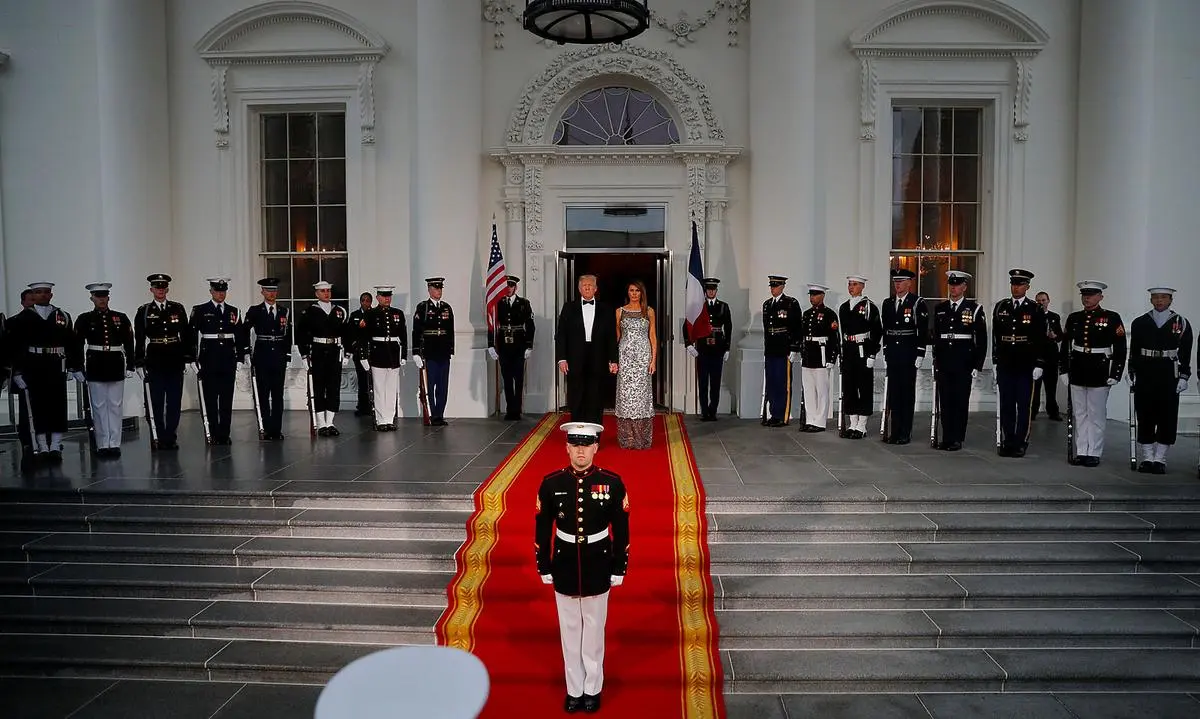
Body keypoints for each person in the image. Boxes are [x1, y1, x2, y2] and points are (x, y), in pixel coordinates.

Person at [535, 421, 629, 715]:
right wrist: (543, 564)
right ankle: (574, 689)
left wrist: (619, 566)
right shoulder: (551, 484)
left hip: (598, 562)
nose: (580, 451)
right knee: (570, 631)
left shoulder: (612, 483)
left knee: (594, 632)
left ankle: (592, 688)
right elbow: (542, 528)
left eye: (586, 445)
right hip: (564, 562)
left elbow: (621, 530)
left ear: (596, 448)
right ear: (566, 448)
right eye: (575, 445)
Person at [6, 281, 78, 463]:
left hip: (56, 364)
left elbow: (71, 343)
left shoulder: (62, 315)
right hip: (34, 364)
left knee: (57, 404)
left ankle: (55, 445)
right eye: (38, 292)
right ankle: (42, 445)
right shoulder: (23, 318)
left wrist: (72, 366)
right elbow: (16, 346)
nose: (43, 295)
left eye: (46, 292)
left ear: (51, 295)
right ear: (33, 295)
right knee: (38, 406)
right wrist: (17, 372)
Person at [1061, 280, 1127, 467]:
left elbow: (1120, 347)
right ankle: (1082, 450)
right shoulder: (1074, 318)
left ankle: (1094, 452)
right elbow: (1065, 345)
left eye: (1091, 295)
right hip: (1078, 368)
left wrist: (1115, 373)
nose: (1087, 298)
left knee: (1096, 414)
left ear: (1100, 297)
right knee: (1080, 413)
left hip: (1099, 369)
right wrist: (1063, 369)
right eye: (1084, 295)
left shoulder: (1111, 317)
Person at [1128, 286, 1192, 474]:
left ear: (1171, 300)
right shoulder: (1140, 322)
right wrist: (1131, 370)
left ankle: (1160, 458)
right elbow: (1134, 350)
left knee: (1167, 415)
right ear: (1151, 300)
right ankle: (1148, 457)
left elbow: (1185, 352)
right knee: (1145, 414)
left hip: (1168, 372)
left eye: (1163, 297)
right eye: (1155, 297)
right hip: (1145, 370)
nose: (1159, 301)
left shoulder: (1181, 323)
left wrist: (1184, 375)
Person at [74, 282, 135, 457]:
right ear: (92, 298)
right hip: (96, 364)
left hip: (115, 363)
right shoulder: (84, 319)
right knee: (98, 406)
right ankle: (102, 443)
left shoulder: (120, 317)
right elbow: (77, 344)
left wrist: (130, 365)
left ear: (108, 298)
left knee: (115, 405)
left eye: (104, 296)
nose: (102, 300)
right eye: (98, 297)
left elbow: (129, 342)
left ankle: (114, 443)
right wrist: (77, 367)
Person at [992, 268, 1047, 457]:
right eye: (1013, 284)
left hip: (1026, 362)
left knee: (1024, 404)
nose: (1015, 288)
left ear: (1027, 287)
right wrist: (995, 360)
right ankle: (1008, 439)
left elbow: (1040, 338)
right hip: (1006, 361)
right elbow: (996, 336)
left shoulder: (1035, 309)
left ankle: (1021, 441)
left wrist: (1039, 363)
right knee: (1006, 403)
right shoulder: (1001, 306)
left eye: (1020, 284)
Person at [135, 273, 193, 450]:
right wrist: (138, 361)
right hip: (155, 359)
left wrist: (188, 357)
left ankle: (170, 436)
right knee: (155, 400)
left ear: (167, 289)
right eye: (157, 287)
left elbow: (186, 334)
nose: (160, 290)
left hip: (175, 358)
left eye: (163, 287)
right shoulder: (144, 311)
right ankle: (157, 435)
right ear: (151, 289)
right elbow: (139, 338)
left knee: (174, 401)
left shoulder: (177, 308)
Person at [931, 271, 988, 451]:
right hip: (944, 361)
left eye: (957, 285)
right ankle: (947, 437)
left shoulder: (974, 309)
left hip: (964, 362)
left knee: (960, 401)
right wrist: (935, 360)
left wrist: (977, 364)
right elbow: (936, 337)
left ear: (964, 287)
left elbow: (981, 339)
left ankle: (957, 438)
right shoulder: (940, 308)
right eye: (951, 284)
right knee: (945, 401)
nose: (953, 288)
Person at [556, 274, 618, 426]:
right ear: (579, 289)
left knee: (596, 396)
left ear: (596, 289)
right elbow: (561, 334)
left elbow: (611, 337)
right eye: (584, 285)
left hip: (599, 358)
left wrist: (613, 360)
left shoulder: (606, 309)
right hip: (575, 358)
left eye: (590, 285)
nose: (587, 288)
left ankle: (594, 432)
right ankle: (577, 431)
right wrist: (562, 358)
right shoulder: (568, 308)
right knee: (576, 396)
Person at [189, 277, 244, 445]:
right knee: (210, 397)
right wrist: (192, 358)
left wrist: (240, 357)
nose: (221, 294)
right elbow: (192, 335)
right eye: (217, 291)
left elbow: (240, 335)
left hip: (228, 357)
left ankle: (224, 434)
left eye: (223, 291)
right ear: (211, 291)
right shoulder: (200, 310)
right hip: (209, 357)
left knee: (227, 398)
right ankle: (212, 432)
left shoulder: (234, 311)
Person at [880, 268, 929, 444]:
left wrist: (920, 352)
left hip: (908, 353)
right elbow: (886, 329)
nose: (897, 285)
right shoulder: (888, 303)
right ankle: (894, 431)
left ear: (909, 283)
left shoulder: (917, 303)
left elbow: (922, 330)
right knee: (894, 394)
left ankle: (904, 432)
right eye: (895, 282)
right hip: (893, 353)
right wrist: (885, 350)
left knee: (906, 394)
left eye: (901, 282)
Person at [296, 280, 350, 436]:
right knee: (319, 387)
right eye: (323, 291)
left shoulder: (339, 310)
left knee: (334, 387)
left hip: (335, 351)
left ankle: (330, 422)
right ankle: (321, 423)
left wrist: (348, 353)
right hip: (318, 351)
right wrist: (304, 355)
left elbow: (346, 333)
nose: (326, 294)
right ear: (316, 293)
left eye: (328, 291)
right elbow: (301, 334)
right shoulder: (309, 311)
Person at [242, 278, 292, 440]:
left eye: (274, 290)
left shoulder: (284, 311)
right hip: (262, 355)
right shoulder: (255, 311)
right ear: (262, 292)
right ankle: (265, 427)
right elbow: (244, 331)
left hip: (279, 355)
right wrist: (246, 352)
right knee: (262, 394)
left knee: (277, 395)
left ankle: (276, 429)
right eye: (268, 290)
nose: (272, 293)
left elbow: (288, 334)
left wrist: (288, 354)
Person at [837, 274, 883, 438]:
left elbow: (877, 331)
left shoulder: (869, 307)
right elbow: (842, 332)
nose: (851, 287)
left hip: (863, 349)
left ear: (862, 286)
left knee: (863, 386)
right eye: (850, 284)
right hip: (848, 349)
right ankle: (852, 423)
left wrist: (872, 353)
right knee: (849, 387)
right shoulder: (844, 307)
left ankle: (862, 425)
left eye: (855, 284)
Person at [614, 280, 657, 449]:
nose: (634, 293)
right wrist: (613, 360)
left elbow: (652, 336)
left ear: (642, 293)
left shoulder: (649, 311)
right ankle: (627, 438)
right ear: (628, 292)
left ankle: (641, 438)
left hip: (643, 358)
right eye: (631, 290)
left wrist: (653, 360)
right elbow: (617, 337)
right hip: (625, 358)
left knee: (641, 397)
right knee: (625, 396)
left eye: (637, 290)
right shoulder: (619, 311)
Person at [487, 275, 535, 420]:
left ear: (515, 287)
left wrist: (529, 345)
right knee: (507, 378)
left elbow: (530, 326)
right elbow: (492, 325)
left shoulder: (524, 303)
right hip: (503, 345)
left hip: (519, 344)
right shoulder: (498, 303)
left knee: (518, 378)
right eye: (506, 286)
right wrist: (491, 345)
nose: (508, 289)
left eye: (511, 286)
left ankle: (517, 409)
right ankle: (510, 409)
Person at [684, 277, 732, 421]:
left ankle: (713, 411)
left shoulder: (723, 306)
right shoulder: (699, 307)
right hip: (703, 348)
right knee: (703, 382)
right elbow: (687, 325)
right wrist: (688, 344)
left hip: (718, 348)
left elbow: (728, 328)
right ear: (705, 291)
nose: (711, 292)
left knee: (715, 383)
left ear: (716, 290)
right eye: (709, 289)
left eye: (713, 289)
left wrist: (727, 348)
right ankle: (704, 411)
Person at [797, 283, 839, 432]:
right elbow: (802, 335)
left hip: (821, 354)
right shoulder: (806, 314)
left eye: (815, 295)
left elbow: (834, 338)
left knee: (821, 390)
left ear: (822, 296)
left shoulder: (829, 314)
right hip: (808, 353)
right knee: (809, 389)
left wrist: (831, 358)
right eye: (811, 295)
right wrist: (801, 352)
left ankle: (820, 421)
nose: (812, 298)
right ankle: (810, 419)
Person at [364, 285, 407, 430]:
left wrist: (404, 355)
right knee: (379, 388)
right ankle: (381, 419)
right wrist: (364, 357)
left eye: (389, 296)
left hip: (393, 354)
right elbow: (364, 337)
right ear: (378, 298)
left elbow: (403, 336)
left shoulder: (398, 313)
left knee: (391, 388)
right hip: (378, 353)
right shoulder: (371, 314)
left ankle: (389, 418)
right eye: (384, 296)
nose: (387, 298)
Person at [412, 277, 454, 427]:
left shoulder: (446, 307)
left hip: (443, 352)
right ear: (429, 290)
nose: (439, 291)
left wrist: (451, 349)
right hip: (430, 352)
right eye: (436, 288)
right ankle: (431, 414)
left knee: (442, 386)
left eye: (440, 288)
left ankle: (439, 415)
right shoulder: (423, 307)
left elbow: (450, 331)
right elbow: (417, 331)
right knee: (430, 385)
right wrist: (416, 352)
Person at [761, 275, 802, 427]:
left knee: (783, 383)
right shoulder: (767, 305)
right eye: (771, 286)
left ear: (783, 286)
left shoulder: (790, 303)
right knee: (772, 382)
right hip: (771, 348)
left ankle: (781, 415)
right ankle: (773, 413)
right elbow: (767, 328)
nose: (773, 289)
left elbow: (797, 327)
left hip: (784, 348)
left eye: (776, 286)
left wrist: (794, 348)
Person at [1033, 291, 1064, 421]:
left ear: (1048, 301)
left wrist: (1055, 336)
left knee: (1051, 386)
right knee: (1035, 387)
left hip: (1051, 355)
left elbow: (1060, 336)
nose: (1041, 303)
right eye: (1039, 301)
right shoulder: (1032, 316)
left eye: (1043, 300)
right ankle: (1033, 411)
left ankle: (1053, 411)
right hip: (1036, 355)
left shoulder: (1054, 317)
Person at [348, 292, 374, 416]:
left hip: (373, 351)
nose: (365, 303)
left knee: (373, 380)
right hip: (359, 352)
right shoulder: (355, 315)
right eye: (363, 300)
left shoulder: (374, 314)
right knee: (362, 380)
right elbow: (350, 333)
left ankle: (374, 405)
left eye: (368, 300)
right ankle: (362, 406)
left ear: (371, 302)